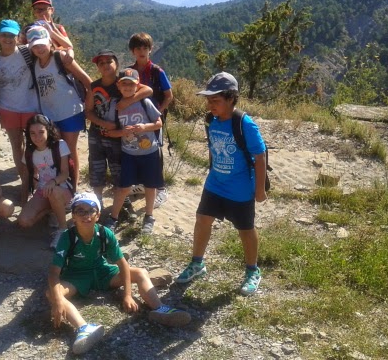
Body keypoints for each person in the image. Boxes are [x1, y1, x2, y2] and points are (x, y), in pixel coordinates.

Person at [47, 192, 191, 355]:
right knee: (52, 293)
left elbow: (123, 265)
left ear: (97, 215)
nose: (86, 215)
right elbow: (53, 272)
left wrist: (127, 295)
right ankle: (84, 328)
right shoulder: (67, 237)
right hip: (76, 277)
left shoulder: (104, 234)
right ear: (73, 216)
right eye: (80, 211)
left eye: (91, 211)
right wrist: (57, 301)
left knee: (140, 272)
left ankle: (159, 309)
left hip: (102, 272)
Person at [176, 72, 267, 296]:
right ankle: (197, 263)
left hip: (240, 188)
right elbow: (213, 148)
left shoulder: (244, 123)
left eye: (215, 100)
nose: (210, 105)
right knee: (202, 219)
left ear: (231, 98)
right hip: (215, 184)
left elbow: (260, 156)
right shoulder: (211, 120)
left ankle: (252, 271)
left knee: (245, 229)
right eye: (208, 100)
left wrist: (259, 190)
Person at [84, 49, 153, 212]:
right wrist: (103, 123)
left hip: (118, 137)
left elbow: (148, 90)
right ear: (97, 67)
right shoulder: (94, 87)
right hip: (96, 135)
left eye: (109, 61)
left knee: (118, 170)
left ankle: (124, 203)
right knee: (97, 168)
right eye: (101, 63)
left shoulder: (123, 83)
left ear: (116, 64)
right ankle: (98, 203)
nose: (105, 65)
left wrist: (128, 101)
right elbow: (88, 111)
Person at [28, 25, 92, 189]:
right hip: (49, 116)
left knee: (69, 151)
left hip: (70, 112)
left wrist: (89, 106)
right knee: (56, 152)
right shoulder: (35, 63)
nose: (39, 49)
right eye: (35, 46)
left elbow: (87, 81)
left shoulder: (60, 57)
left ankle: (73, 188)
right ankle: (61, 185)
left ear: (50, 42)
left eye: (42, 44)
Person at [103, 69, 163, 234]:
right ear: (118, 85)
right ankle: (113, 218)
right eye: (124, 84)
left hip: (150, 151)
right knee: (124, 187)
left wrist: (144, 127)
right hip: (128, 153)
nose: (128, 87)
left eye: (131, 84)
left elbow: (159, 123)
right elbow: (110, 132)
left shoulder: (145, 102)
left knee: (150, 186)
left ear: (138, 85)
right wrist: (122, 132)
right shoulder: (115, 106)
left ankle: (149, 216)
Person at [0, 19, 39, 204]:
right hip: (7, 108)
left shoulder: (27, 52)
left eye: (12, 35)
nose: (8, 39)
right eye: (4, 35)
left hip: (30, 107)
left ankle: (33, 183)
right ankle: (26, 184)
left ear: (19, 37)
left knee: (34, 147)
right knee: (16, 146)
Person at [127, 32, 173, 207]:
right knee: (138, 149)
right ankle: (141, 184)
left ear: (150, 49)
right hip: (135, 118)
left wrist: (157, 113)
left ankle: (160, 189)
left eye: (145, 48)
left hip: (153, 121)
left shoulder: (157, 71)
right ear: (132, 51)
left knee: (155, 153)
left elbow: (169, 95)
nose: (141, 51)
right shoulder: (130, 72)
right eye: (138, 48)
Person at [17, 115, 74, 249]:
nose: (37, 137)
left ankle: (63, 230)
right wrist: (24, 202)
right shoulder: (30, 152)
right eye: (33, 133)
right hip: (43, 190)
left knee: (53, 191)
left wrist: (53, 182)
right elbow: (27, 177)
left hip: (62, 188)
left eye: (41, 132)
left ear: (48, 130)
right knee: (24, 221)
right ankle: (53, 210)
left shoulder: (60, 145)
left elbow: (65, 173)